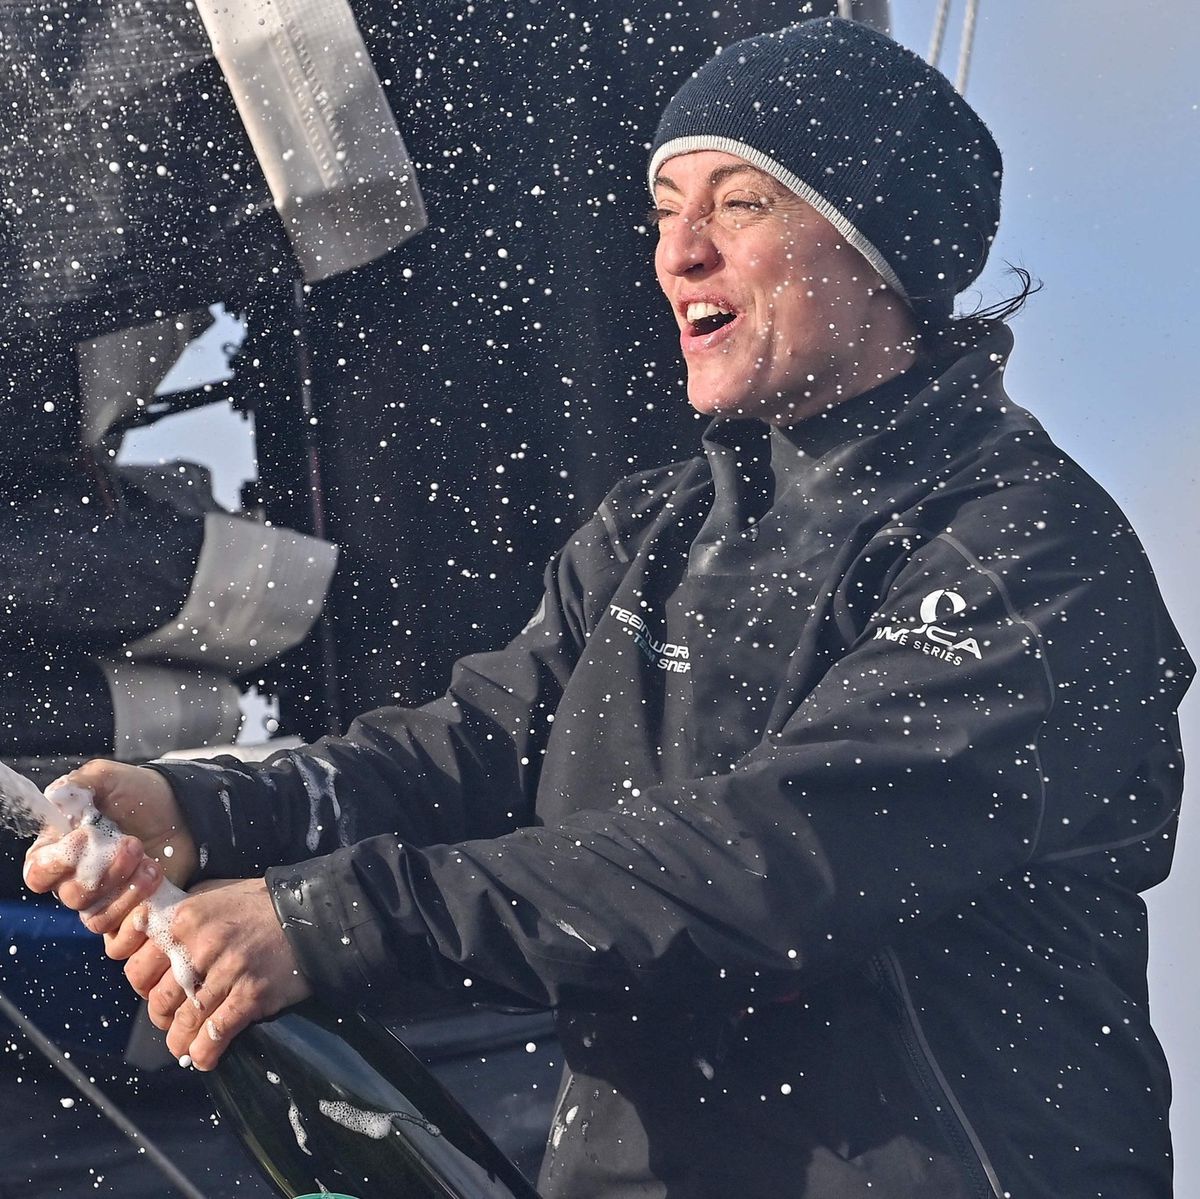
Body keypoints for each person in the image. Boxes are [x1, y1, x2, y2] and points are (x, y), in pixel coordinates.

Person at [24, 19, 1192, 1199]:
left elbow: (776, 859)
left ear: (879, 245)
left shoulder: (1027, 553)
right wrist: (213, 809)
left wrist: (333, 921)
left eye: (739, 204)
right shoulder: (654, 530)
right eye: (663, 211)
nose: (679, 253)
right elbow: (474, 751)